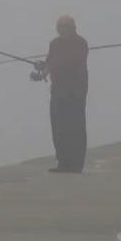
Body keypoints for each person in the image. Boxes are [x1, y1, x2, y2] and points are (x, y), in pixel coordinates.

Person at [33, 15, 89, 173]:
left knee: (75, 127)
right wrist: (41, 72)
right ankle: (63, 162)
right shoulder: (54, 44)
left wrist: (51, 65)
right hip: (58, 91)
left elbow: (71, 62)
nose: (63, 30)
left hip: (76, 91)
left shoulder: (81, 43)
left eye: (66, 26)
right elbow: (49, 64)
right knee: (58, 127)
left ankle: (76, 164)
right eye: (60, 27)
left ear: (73, 28)